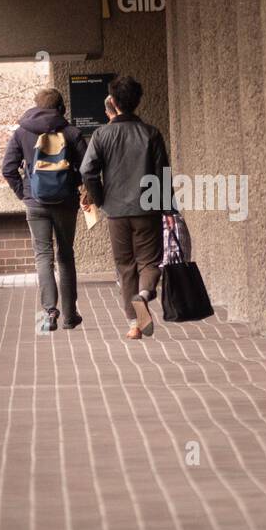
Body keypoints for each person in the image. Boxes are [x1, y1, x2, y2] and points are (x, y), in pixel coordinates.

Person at [80, 75, 171, 340]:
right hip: (148, 209)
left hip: (117, 211)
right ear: (137, 101)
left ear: (114, 102)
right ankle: (144, 297)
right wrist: (167, 208)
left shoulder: (101, 134)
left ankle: (135, 324)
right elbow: (162, 173)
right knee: (150, 262)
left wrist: (101, 199)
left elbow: (88, 170)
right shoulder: (151, 133)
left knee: (125, 266)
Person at [2, 87, 88, 333]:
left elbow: (8, 169)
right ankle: (71, 316)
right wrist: (79, 188)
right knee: (66, 255)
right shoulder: (71, 133)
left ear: (37, 106)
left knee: (43, 256)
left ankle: (49, 312)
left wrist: (24, 193)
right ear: (61, 108)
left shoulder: (22, 133)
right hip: (65, 203)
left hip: (35, 202)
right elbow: (87, 168)